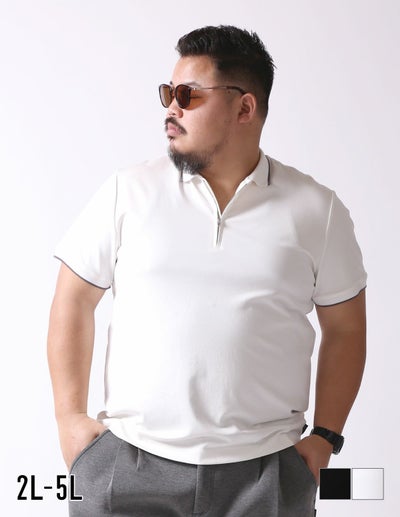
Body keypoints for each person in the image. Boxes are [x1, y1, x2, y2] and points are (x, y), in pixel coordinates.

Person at [47, 25, 367, 517]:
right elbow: (73, 299)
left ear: (245, 108)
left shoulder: (316, 210)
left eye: (188, 95)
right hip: (127, 464)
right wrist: (70, 420)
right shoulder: (127, 192)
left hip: (265, 473)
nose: (170, 109)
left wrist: (325, 437)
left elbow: (345, 328)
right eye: (167, 93)